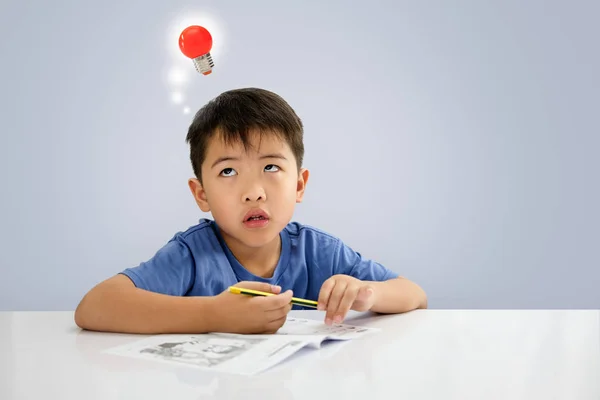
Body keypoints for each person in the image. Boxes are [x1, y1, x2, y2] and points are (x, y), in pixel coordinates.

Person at [74, 87, 427, 335]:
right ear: (202, 195)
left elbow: (413, 293)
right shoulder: (192, 255)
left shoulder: (319, 252)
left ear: (300, 185)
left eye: (271, 168)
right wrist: (215, 314)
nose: (254, 193)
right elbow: (95, 306)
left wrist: (368, 293)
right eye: (228, 172)